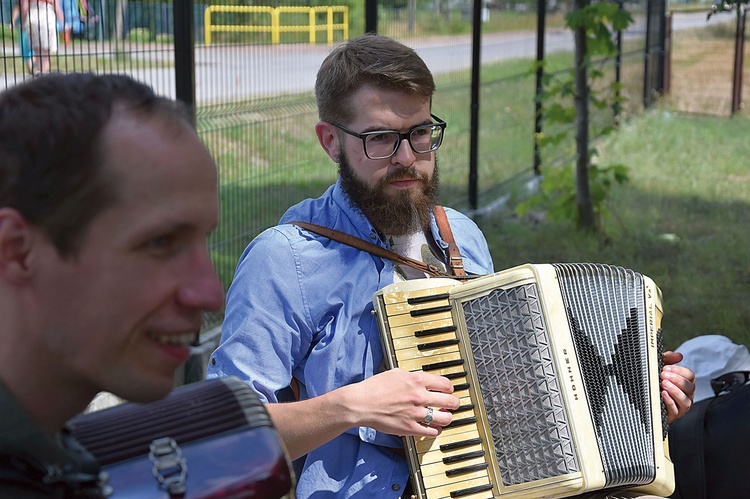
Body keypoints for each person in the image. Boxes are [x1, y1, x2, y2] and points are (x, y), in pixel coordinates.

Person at [206, 34, 696, 499]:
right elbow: (222, 445)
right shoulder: (285, 259)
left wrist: (629, 391)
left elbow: (516, 387)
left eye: (420, 133)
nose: (407, 158)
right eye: (380, 138)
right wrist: (354, 406)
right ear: (331, 142)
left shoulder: (461, 234)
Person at [0, 73, 225, 496]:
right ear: (16, 251)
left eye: (203, 240)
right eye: (160, 243)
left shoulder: (42, 459)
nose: (211, 294)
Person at [19, 0, 65, 75]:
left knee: (37, 50)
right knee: (46, 51)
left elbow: (24, 8)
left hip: (32, 16)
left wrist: (23, 21)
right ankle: (45, 73)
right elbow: (57, 7)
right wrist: (63, 23)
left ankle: (39, 70)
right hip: (46, 16)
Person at [11, 1, 34, 75]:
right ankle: (32, 72)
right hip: (25, 26)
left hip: (34, 26)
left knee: (36, 51)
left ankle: (34, 71)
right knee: (25, 51)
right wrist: (13, 22)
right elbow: (18, 7)